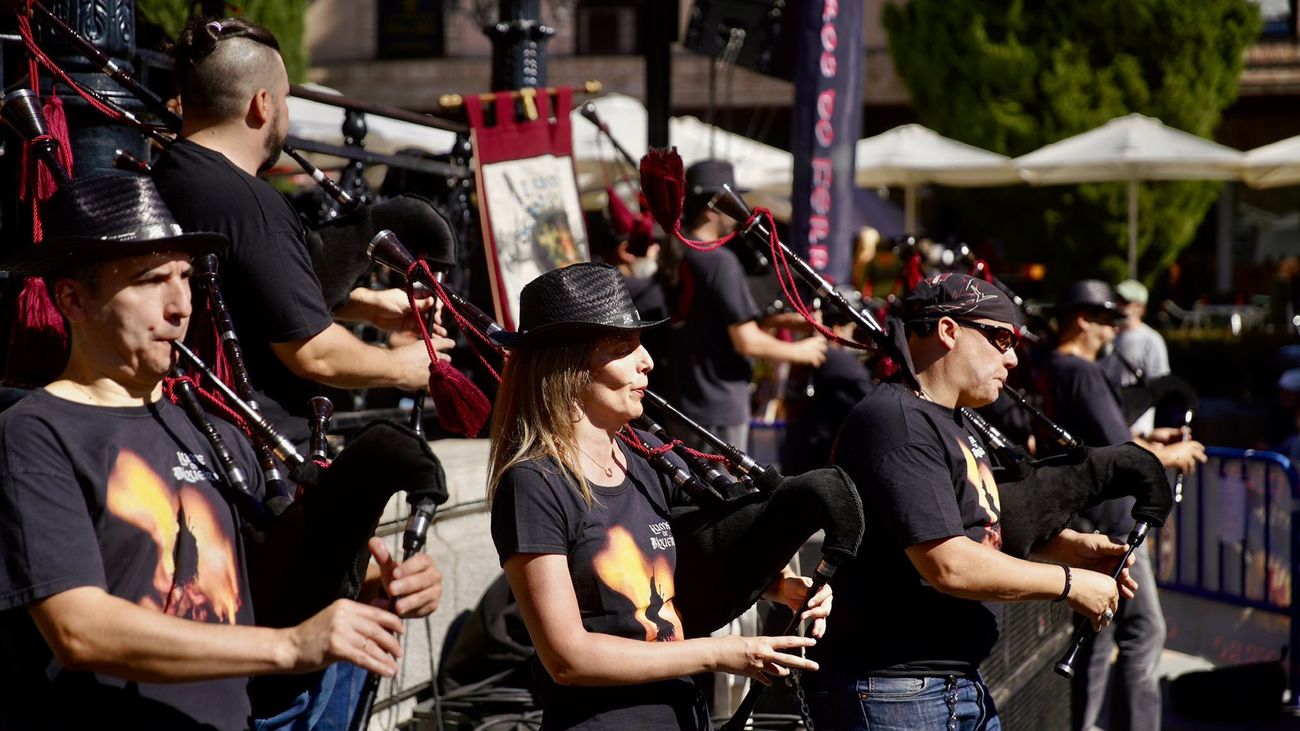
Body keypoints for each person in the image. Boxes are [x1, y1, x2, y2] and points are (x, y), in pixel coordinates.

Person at [0, 175, 443, 730]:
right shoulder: (34, 433)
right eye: (151, 280)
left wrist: (377, 588)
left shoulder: (214, 431)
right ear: (72, 299)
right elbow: (78, 630)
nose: (181, 306)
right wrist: (289, 646)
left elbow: (259, 584)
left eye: (185, 277)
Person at [487, 262, 831, 729]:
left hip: (683, 715)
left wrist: (779, 585)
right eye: (622, 349)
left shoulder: (647, 456)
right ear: (568, 367)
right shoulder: (533, 484)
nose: (646, 361)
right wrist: (717, 653)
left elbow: (699, 550)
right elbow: (568, 657)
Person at [808, 272, 1139, 731]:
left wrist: (1067, 548)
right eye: (1001, 338)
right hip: (895, 691)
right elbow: (948, 563)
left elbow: (971, 525)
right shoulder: (897, 422)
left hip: (946, 684)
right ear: (948, 330)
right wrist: (1069, 583)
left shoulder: (949, 420)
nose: (1012, 358)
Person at [151, 17, 452, 442]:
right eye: (285, 98)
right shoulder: (251, 205)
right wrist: (402, 367)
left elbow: (247, 289)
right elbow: (313, 353)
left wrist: (363, 306)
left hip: (189, 429)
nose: (286, 113)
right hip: (255, 447)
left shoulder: (164, 175)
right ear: (262, 104)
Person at [1047, 279, 1206, 731]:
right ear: (1082, 320)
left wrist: (1151, 438)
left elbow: (1102, 439)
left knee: (1100, 633)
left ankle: (1089, 724)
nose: (1112, 329)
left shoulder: (1062, 368)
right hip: (1108, 523)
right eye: (1104, 319)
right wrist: (1171, 454)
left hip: (1093, 517)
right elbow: (1119, 449)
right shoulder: (1078, 370)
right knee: (1144, 630)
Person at [667, 159, 826, 453]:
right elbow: (745, 340)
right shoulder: (720, 262)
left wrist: (783, 322)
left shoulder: (680, 253)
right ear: (714, 206)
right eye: (733, 200)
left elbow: (713, 320)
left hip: (685, 402)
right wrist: (802, 351)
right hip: (719, 406)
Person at [1100, 279, 1171, 435]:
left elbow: (1159, 385)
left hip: (1137, 426)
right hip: (1107, 421)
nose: (1119, 306)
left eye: (1125, 302)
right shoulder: (1106, 336)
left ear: (1140, 308)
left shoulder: (1151, 339)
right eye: (1117, 300)